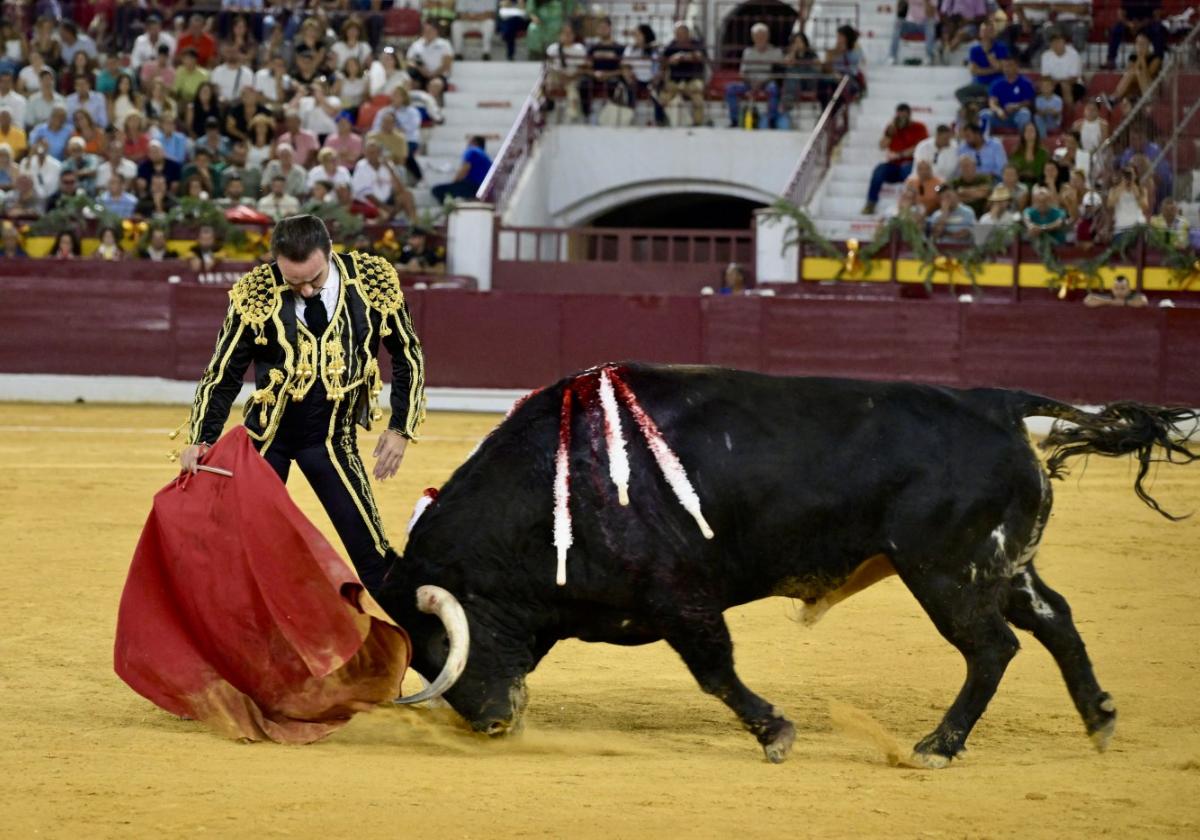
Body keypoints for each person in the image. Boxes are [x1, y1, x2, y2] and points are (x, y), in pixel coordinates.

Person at [179, 214, 425, 594]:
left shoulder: (371, 281)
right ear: (276, 262)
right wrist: (201, 437)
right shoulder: (257, 292)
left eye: (315, 278)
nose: (307, 291)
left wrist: (400, 427)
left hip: (330, 439)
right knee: (238, 549)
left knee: (370, 551)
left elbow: (407, 354)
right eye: (295, 282)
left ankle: (407, 640)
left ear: (329, 253)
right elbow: (224, 373)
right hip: (267, 438)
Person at [862, 103, 928, 215]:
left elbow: (920, 146)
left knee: (906, 170)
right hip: (893, 166)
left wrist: (900, 155)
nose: (901, 118)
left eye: (904, 115)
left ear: (909, 115)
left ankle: (910, 204)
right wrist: (889, 134)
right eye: (899, 115)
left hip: (910, 163)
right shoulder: (892, 127)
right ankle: (871, 203)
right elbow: (882, 146)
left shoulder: (919, 127)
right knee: (879, 170)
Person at [724, 23, 784, 129]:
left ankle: (772, 121)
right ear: (753, 38)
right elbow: (742, 72)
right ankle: (734, 120)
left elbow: (778, 73)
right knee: (730, 88)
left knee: (774, 89)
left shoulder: (776, 52)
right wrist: (751, 82)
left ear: (767, 37)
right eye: (757, 36)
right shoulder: (748, 52)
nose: (760, 39)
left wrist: (763, 82)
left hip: (767, 82)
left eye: (762, 36)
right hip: (749, 83)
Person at [661, 22, 707, 127]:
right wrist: (670, 61)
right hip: (675, 81)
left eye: (682, 33)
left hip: (692, 80)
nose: (679, 36)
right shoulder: (671, 46)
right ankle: (664, 123)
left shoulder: (696, 44)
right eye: (677, 33)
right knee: (663, 98)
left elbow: (700, 56)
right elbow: (663, 62)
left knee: (698, 99)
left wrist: (684, 56)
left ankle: (697, 124)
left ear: (688, 33)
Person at [955, 20, 1007, 106]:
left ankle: (982, 104)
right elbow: (974, 71)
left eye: (989, 31)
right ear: (980, 33)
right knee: (959, 93)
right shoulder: (975, 49)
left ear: (994, 32)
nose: (986, 34)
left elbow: (999, 67)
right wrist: (993, 70)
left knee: (993, 93)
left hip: (995, 83)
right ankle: (974, 105)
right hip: (979, 83)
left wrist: (987, 53)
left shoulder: (1001, 47)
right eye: (984, 31)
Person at [431, 135, 492, 204]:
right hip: (483, 188)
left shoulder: (472, 151)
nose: (467, 144)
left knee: (437, 190)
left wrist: (454, 182)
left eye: (469, 142)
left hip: (472, 187)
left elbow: (465, 169)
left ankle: (448, 209)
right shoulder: (486, 156)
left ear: (474, 143)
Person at [1105, 0, 1165, 70]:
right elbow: (1121, 14)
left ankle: (1158, 61)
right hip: (1130, 24)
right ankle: (1111, 60)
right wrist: (1129, 24)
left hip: (1147, 24)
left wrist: (1141, 24)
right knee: (1116, 30)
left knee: (1158, 30)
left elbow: (1157, 16)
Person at [407, 20, 453, 106]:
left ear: (436, 31)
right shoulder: (416, 45)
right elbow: (409, 61)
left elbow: (447, 65)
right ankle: (411, 105)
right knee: (408, 82)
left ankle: (431, 108)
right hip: (420, 73)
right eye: (425, 30)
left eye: (430, 30)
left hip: (438, 74)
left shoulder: (444, 44)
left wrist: (433, 74)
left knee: (435, 84)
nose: (427, 33)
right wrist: (420, 68)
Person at [1108, 31, 1161, 106]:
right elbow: (1130, 72)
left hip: (1150, 87)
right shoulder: (1133, 57)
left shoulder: (1156, 59)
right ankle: (1114, 97)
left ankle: (1147, 98)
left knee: (1139, 72)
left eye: (1143, 43)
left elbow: (1148, 75)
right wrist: (1139, 57)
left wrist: (1142, 59)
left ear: (1148, 44)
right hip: (1135, 88)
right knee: (1133, 72)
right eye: (1138, 43)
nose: (1140, 46)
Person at [983, 58, 1034, 134]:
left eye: (1009, 66)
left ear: (1016, 67)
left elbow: (1028, 102)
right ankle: (985, 143)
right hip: (1001, 116)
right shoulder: (996, 83)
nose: (1007, 68)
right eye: (1005, 66)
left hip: (1017, 115)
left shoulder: (1025, 83)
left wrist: (1016, 106)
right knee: (984, 114)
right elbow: (992, 102)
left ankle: (1022, 141)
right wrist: (998, 110)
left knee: (1025, 113)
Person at [1040, 29, 1083, 112]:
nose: (1056, 45)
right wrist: (1054, 83)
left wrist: (1059, 82)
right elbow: (1045, 76)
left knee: (1065, 86)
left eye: (1059, 42)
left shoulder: (1073, 54)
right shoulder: (1046, 55)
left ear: (1064, 42)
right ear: (1051, 44)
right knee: (1044, 86)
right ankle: (1047, 115)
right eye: (1054, 42)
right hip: (1054, 84)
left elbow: (1074, 78)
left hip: (1075, 86)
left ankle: (1070, 114)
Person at [889, 0, 937, 66]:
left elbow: (931, 14)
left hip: (925, 24)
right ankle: (892, 56)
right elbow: (899, 11)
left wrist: (926, 1)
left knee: (930, 23)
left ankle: (929, 57)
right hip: (911, 24)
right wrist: (901, 4)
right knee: (898, 22)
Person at [1106, 165, 1149, 234]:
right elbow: (1110, 205)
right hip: (1121, 227)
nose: (1128, 176)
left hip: (1137, 226)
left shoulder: (1142, 190)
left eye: (1130, 174)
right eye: (1126, 174)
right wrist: (1122, 186)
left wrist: (1135, 190)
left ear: (1136, 175)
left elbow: (1145, 206)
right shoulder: (1114, 190)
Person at [1009, 121, 1048, 187]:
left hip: (1038, 186)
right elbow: (1011, 171)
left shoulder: (1043, 153)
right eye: (1027, 131)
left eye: (1032, 131)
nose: (1029, 133)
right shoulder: (1016, 152)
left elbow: (1046, 173)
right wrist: (1022, 174)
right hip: (1018, 185)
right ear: (1023, 134)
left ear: (1036, 134)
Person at [1084, 274, 1148, 307]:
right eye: (1116, 288)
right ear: (1112, 289)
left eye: (1123, 288)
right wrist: (1110, 302)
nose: (1119, 291)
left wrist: (1125, 302)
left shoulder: (1136, 296)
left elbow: (1143, 302)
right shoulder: (1108, 297)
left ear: (1129, 289)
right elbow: (1088, 300)